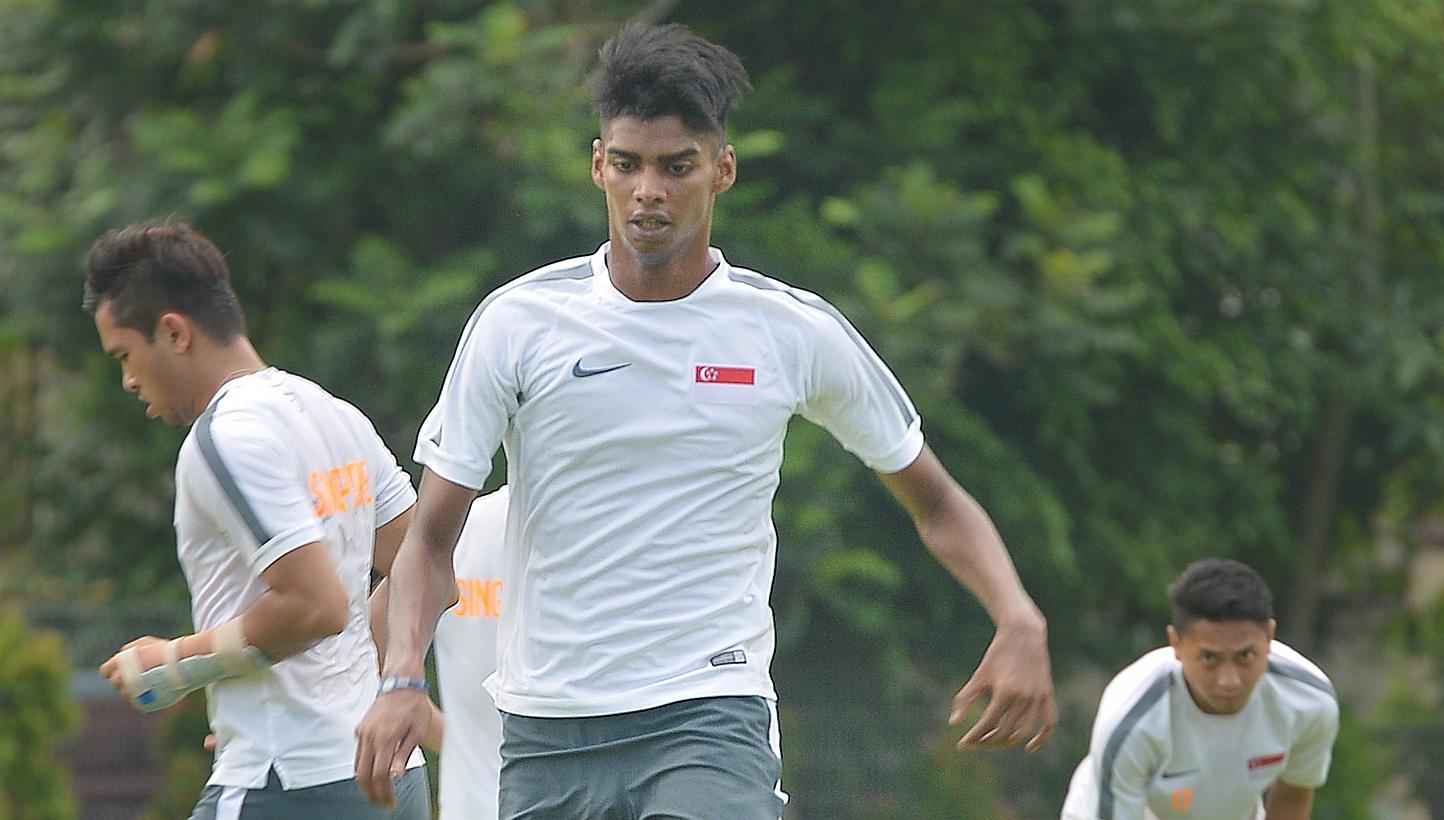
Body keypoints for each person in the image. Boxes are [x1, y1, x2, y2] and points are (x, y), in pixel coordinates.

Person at [356, 22, 1056, 818]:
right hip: (549, 734)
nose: (648, 190)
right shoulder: (519, 324)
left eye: (676, 166)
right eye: (628, 164)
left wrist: (1017, 614)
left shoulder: (789, 331)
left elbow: (935, 500)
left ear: (722, 169)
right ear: (598, 165)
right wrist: (402, 675)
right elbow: (429, 541)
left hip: (709, 716)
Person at [86, 221, 430, 819]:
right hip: (390, 776)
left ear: (173, 332)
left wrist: (174, 665)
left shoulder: (225, 436)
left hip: (292, 785)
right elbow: (426, 571)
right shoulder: (333, 412)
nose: (129, 380)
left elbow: (315, 607)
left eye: (125, 355)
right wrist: (357, 690)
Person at [1060, 559, 1339, 820]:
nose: (1229, 680)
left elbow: (1294, 794)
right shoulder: (1132, 721)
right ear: (1176, 644)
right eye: (1209, 658)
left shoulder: (1310, 701)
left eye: (1245, 656)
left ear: (1269, 637)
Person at [369, 486, 509, 820]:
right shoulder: (613, 532)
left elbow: (370, 641)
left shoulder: (456, 527)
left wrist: (460, 743)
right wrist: (460, 741)